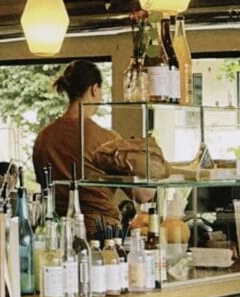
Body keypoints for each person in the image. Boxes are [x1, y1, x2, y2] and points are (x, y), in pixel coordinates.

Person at [32, 60, 167, 236]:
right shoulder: (107, 140)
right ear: (94, 89)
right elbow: (142, 195)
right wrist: (157, 167)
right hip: (101, 233)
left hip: (55, 233)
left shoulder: (43, 137)